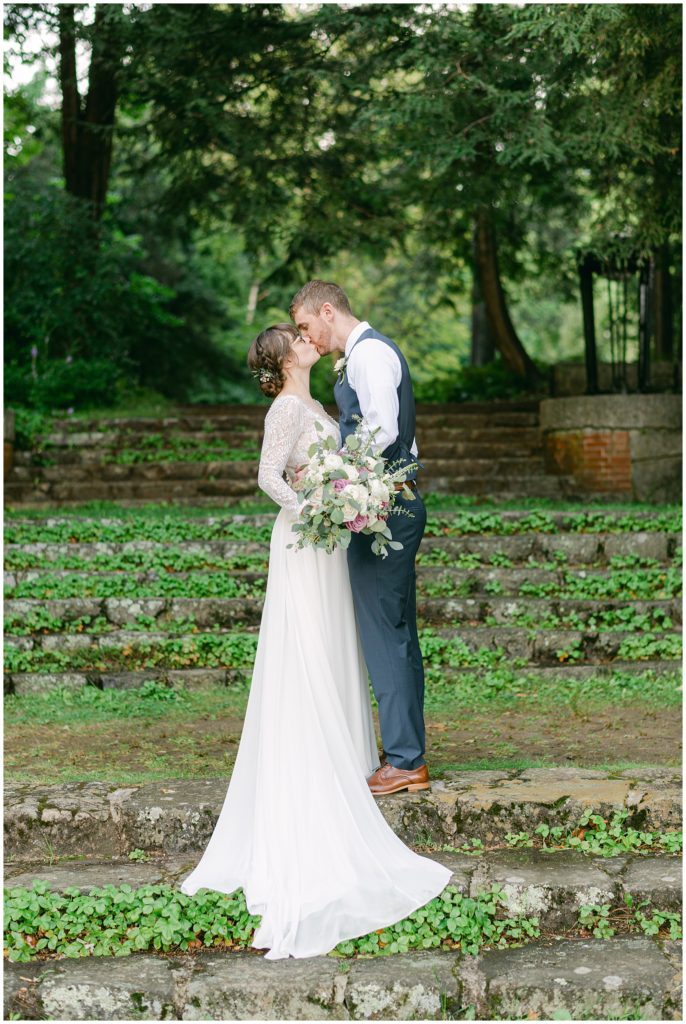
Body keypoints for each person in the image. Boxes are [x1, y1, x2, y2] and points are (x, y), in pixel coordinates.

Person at [179, 322, 451, 961]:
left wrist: (340, 497)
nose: (307, 340)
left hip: (328, 544)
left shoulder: (315, 404)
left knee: (335, 650)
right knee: (305, 652)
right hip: (306, 542)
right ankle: (311, 761)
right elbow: (268, 477)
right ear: (283, 359)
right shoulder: (283, 410)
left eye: (304, 332)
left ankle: (347, 755)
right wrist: (317, 507)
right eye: (295, 338)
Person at [290, 281, 429, 797]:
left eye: (306, 325)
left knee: (383, 631)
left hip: (382, 507)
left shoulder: (369, 355)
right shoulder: (366, 354)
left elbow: (383, 432)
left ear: (328, 311)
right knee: (396, 630)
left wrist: (334, 477)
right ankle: (407, 754)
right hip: (392, 498)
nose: (306, 336)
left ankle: (405, 760)